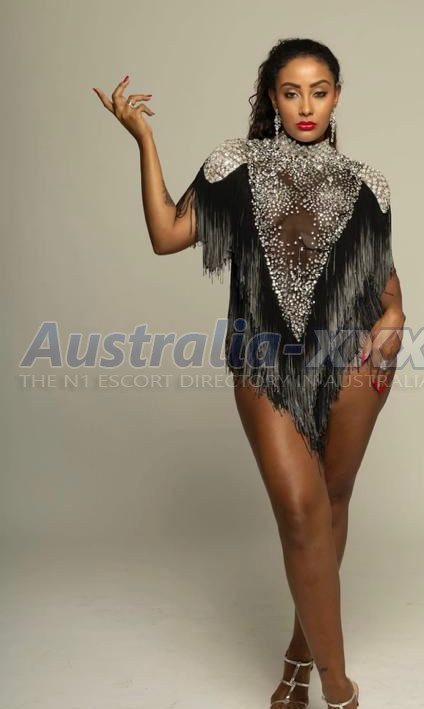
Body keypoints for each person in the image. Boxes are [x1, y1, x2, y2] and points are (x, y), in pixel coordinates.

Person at [94, 37, 405, 709]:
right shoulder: (234, 164)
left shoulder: (368, 184)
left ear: (337, 96)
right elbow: (166, 234)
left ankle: (299, 658)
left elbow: (384, 284)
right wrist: (144, 140)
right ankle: (338, 687)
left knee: (331, 505)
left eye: (318, 91)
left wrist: (394, 322)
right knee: (299, 512)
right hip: (264, 361)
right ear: (272, 98)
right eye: (291, 92)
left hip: (354, 365)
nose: (305, 106)